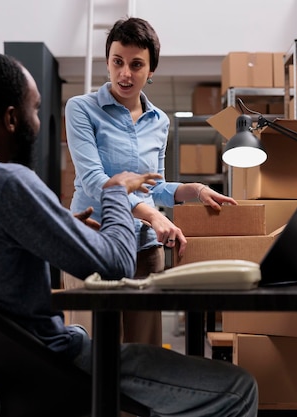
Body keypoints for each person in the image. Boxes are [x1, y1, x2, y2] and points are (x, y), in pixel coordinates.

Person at [0, 51, 258, 416]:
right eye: (35, 109)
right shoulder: (6, 183)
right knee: (239, 387)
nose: (38, 121)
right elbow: (117, 264)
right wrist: (117, 191)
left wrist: (60, 225)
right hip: (47, 370)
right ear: (12, 118)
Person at [65, 17, 237, 346]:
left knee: (145, 354)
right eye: (117, 62)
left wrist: (195, 190)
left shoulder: (160, 121)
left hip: (143, 249)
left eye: (136, 64)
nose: (124, 73)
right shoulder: (82, 109)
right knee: (94, 355)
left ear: (151, 70)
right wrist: (154, 215)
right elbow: (93, 181)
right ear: (107, 62)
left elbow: (154, 186)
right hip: (93, 243)